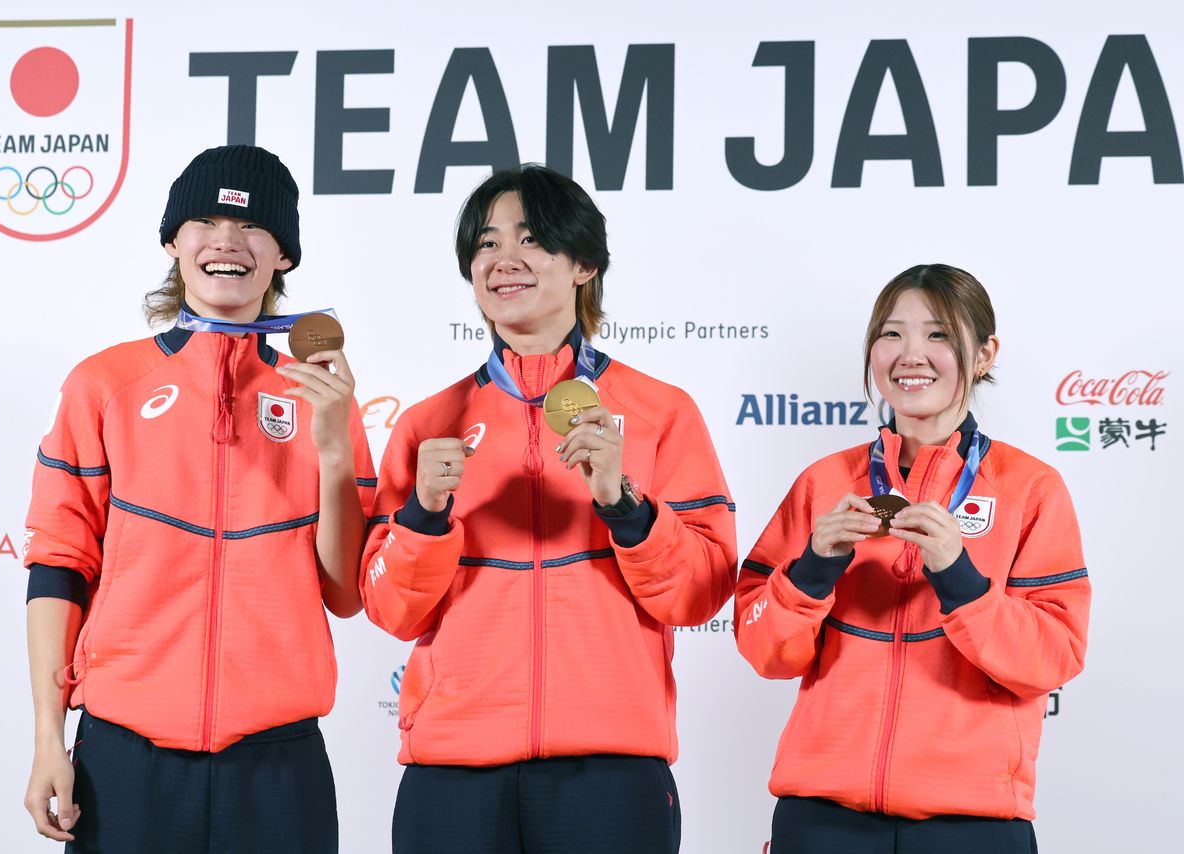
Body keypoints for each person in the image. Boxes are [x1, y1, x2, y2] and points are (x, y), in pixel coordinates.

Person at [360, 164, 737, 854]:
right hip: (453, 772)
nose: (504, 261)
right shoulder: (428, 423)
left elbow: (702, 592)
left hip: (611, 772)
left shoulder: (661, 413)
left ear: (583, 263)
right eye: (485, 245)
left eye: (530, 241)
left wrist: (626, 507)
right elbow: (391, 610)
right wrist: (423, 515)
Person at [21, 144, 373, 853]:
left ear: (284, 257)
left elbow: (345, 592)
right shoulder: (104, 385)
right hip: (124, 755)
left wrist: (334, 447)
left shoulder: (322, 396)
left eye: (253, 228)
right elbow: (58, 565)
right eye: (207, 220)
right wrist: (48, 739)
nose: (228, 242)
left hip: (279, 761)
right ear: (172, 240)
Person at [734, 263, 1091, 853]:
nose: (911, 354)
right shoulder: (824, 483)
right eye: (892, 333)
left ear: (984, 354)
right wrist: (815, 568)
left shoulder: (1030, 487)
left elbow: (1052, 659)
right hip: (822, 818)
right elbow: (765, 652)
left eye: (939, 335)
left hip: (973, 823)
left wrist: (960, 577)